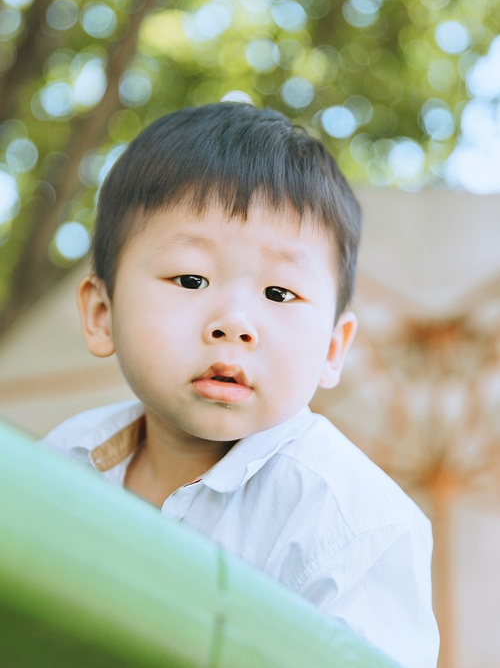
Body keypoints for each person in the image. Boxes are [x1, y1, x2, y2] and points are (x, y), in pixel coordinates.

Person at [41, 102, 439, 667]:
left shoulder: (353, 526)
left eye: (280, 294)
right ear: (102, 314)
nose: (233, 322)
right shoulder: (61, 462)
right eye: (191, 278)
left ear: (332, 347)